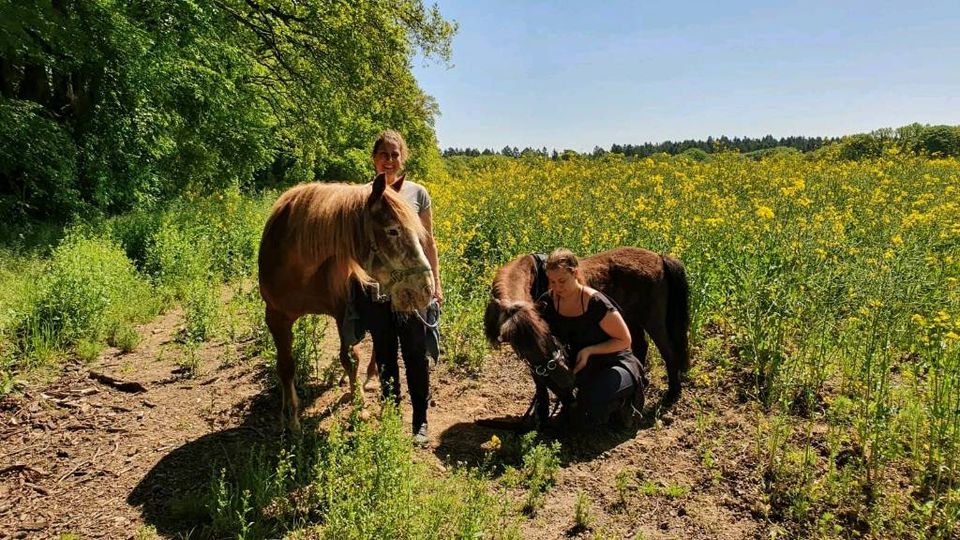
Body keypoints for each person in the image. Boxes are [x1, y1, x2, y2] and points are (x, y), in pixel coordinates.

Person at [356, 129, 443, 446]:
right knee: (386, 354)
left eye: (395, 154)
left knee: (416, 355)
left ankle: (420, 421)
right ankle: (392, 418)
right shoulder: (361, 195)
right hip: (377, 291)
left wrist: (436, 283)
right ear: (374, 158)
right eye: (384, 154)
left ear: (402, 158)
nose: (390, 160)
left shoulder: (417, 193)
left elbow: (428, 241)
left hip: (411, 288)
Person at [535, 248, 645, 429]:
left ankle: (624, 406)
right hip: (581, 366)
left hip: (615, 362)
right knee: (574, 410)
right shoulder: (549, 301)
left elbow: (624, 341)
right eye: (552, 281)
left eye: (562, 281)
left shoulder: (596, 303)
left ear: (575, 273)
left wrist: (589, 350)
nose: (557, 287)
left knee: (590, 404)